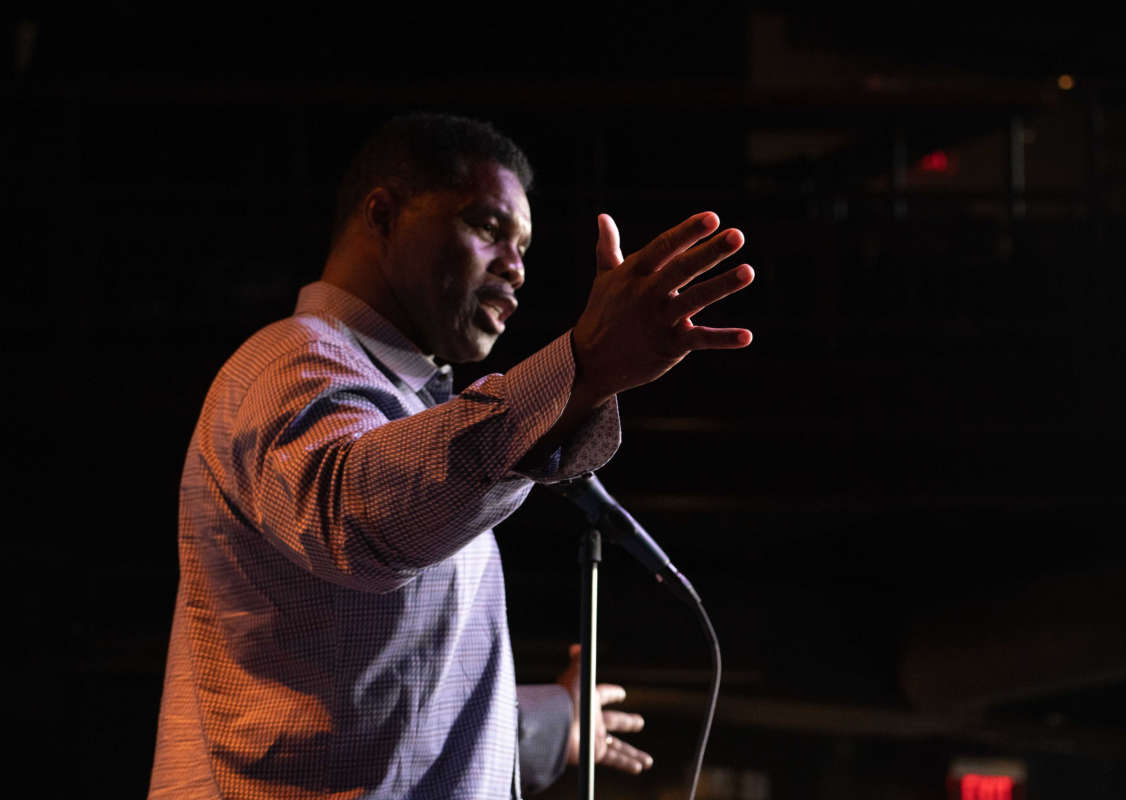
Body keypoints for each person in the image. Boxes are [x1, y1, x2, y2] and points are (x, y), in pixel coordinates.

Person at [148, 112, 754, 799]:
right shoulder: (293, 362)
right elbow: (356, 517)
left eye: (525, 246)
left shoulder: (406, 408)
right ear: (382, 215)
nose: (517, 268)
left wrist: (552, 720)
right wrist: (581, 367)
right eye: (489, 228)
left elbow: (382, 701)